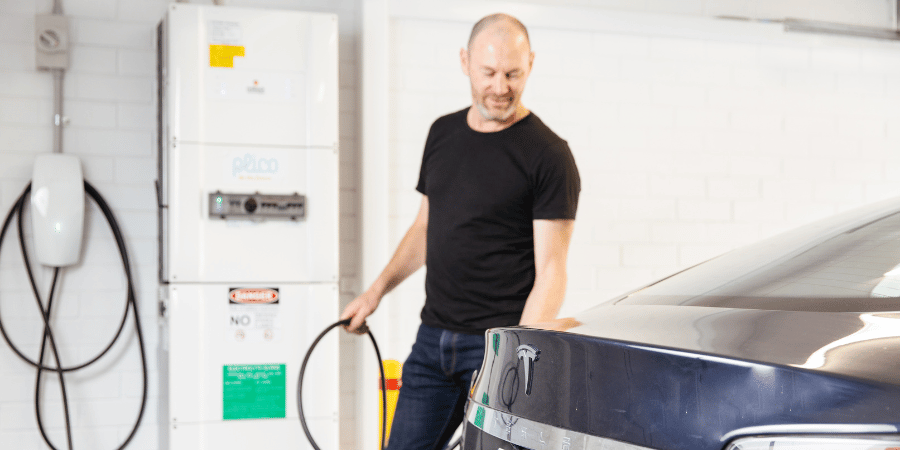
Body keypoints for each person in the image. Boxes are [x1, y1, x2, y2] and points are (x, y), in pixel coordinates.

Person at [340, 12, 580, 450]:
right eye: (489, 72)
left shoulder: (549, 155)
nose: (501, 86)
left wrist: (514, 356)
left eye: (514, 73)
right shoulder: (442, 133)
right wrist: (374, 292)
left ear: (531, 64)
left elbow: (552, 269)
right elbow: (425, 228)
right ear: (465, 61)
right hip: (433, 340)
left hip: (494, 345)